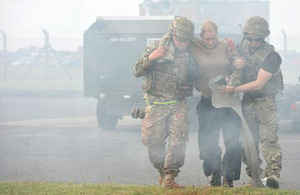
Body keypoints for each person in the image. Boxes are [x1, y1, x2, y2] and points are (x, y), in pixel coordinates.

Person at [133, 16, 196, 189]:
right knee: (154, 145)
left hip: (178, 103)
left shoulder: (192, 51)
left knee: (178, 142)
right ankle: (162, 172)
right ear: (172, 35)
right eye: (180, 39)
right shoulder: (157, 48)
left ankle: (169, 177)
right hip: (156, 104)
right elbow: (136, 71)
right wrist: (151, 58)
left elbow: (212, 49)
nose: (183, 43)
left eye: (186, 40)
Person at [221, 16, 284, 189]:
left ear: (264, 38)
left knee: (269, 140)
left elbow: (259, 84)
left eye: (258, 39)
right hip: (248, 102)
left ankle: (272, 176)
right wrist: (235, 61)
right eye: (250, 38)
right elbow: (232, 62)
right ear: (245, 36)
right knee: (248, 142)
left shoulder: (271, 56)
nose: (254, 42)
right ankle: (254, 177)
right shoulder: (242, 47)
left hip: (266, 102)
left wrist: (234, 89)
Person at [189, 21, 245, 187]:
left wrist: (234, 77)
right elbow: (175, 35)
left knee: (233, 140)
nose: (211, 42)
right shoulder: (194, 45)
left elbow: (238, 65)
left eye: (213, 38)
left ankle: (229, 176)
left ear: (217, 35)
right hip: (208, 101)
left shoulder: (226, 46)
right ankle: (214, 173)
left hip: (228, 101)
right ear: (201, 37)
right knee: (207, 141)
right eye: (207, 39)